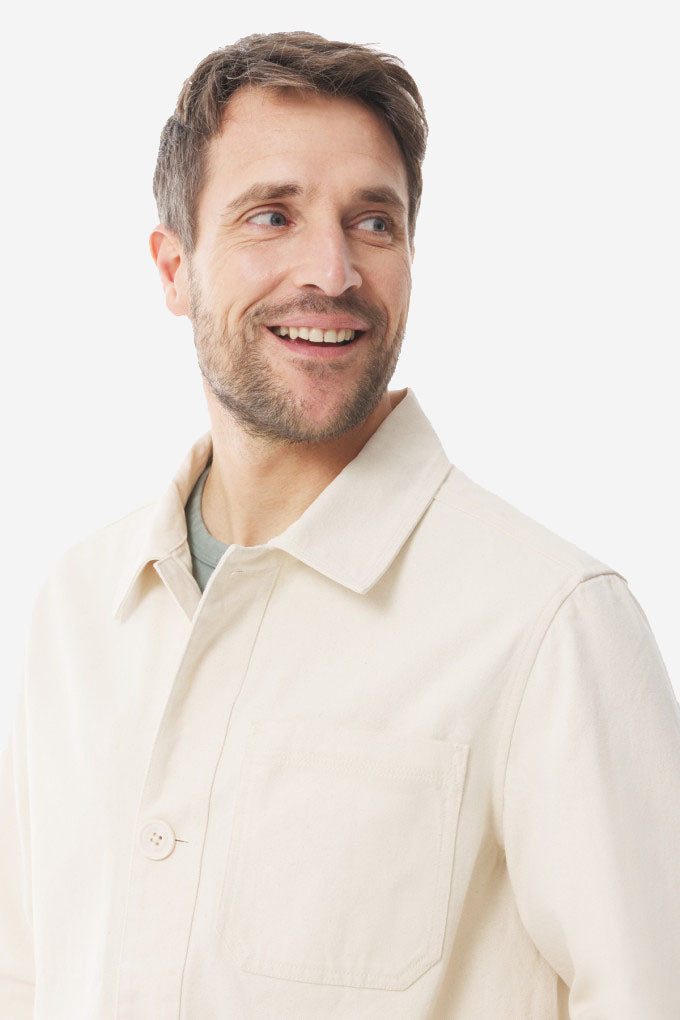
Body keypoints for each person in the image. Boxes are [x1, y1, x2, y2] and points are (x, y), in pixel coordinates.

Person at [1, 30, 678, 1019]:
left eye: (373, 222)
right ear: (174, 268)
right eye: (271, 216)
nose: (332, 270)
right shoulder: (77, 609)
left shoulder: (549, 626)